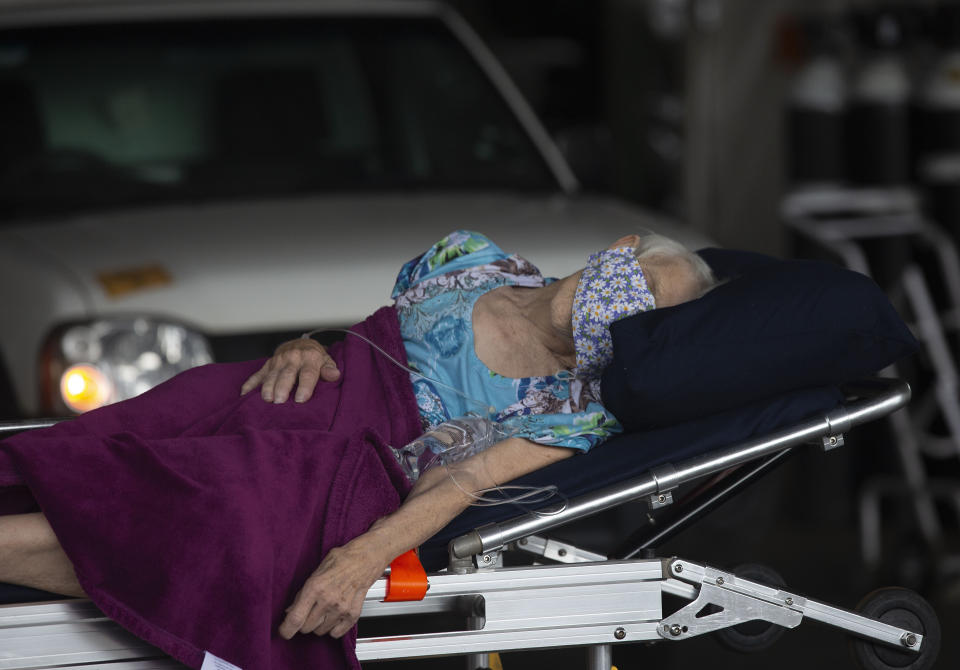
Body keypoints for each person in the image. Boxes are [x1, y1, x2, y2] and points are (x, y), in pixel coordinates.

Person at [0, 230, 714, 658]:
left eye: (651, 315)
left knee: (221, 513)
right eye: (644, 281)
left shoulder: (578, 408)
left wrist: (359, 561)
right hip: (293, 391)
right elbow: (359, 333)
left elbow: (461, 484)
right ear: (621, 248)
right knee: (122, 435)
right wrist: (302, 344)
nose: (632, 304)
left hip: (345, 465)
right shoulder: (472, 256)